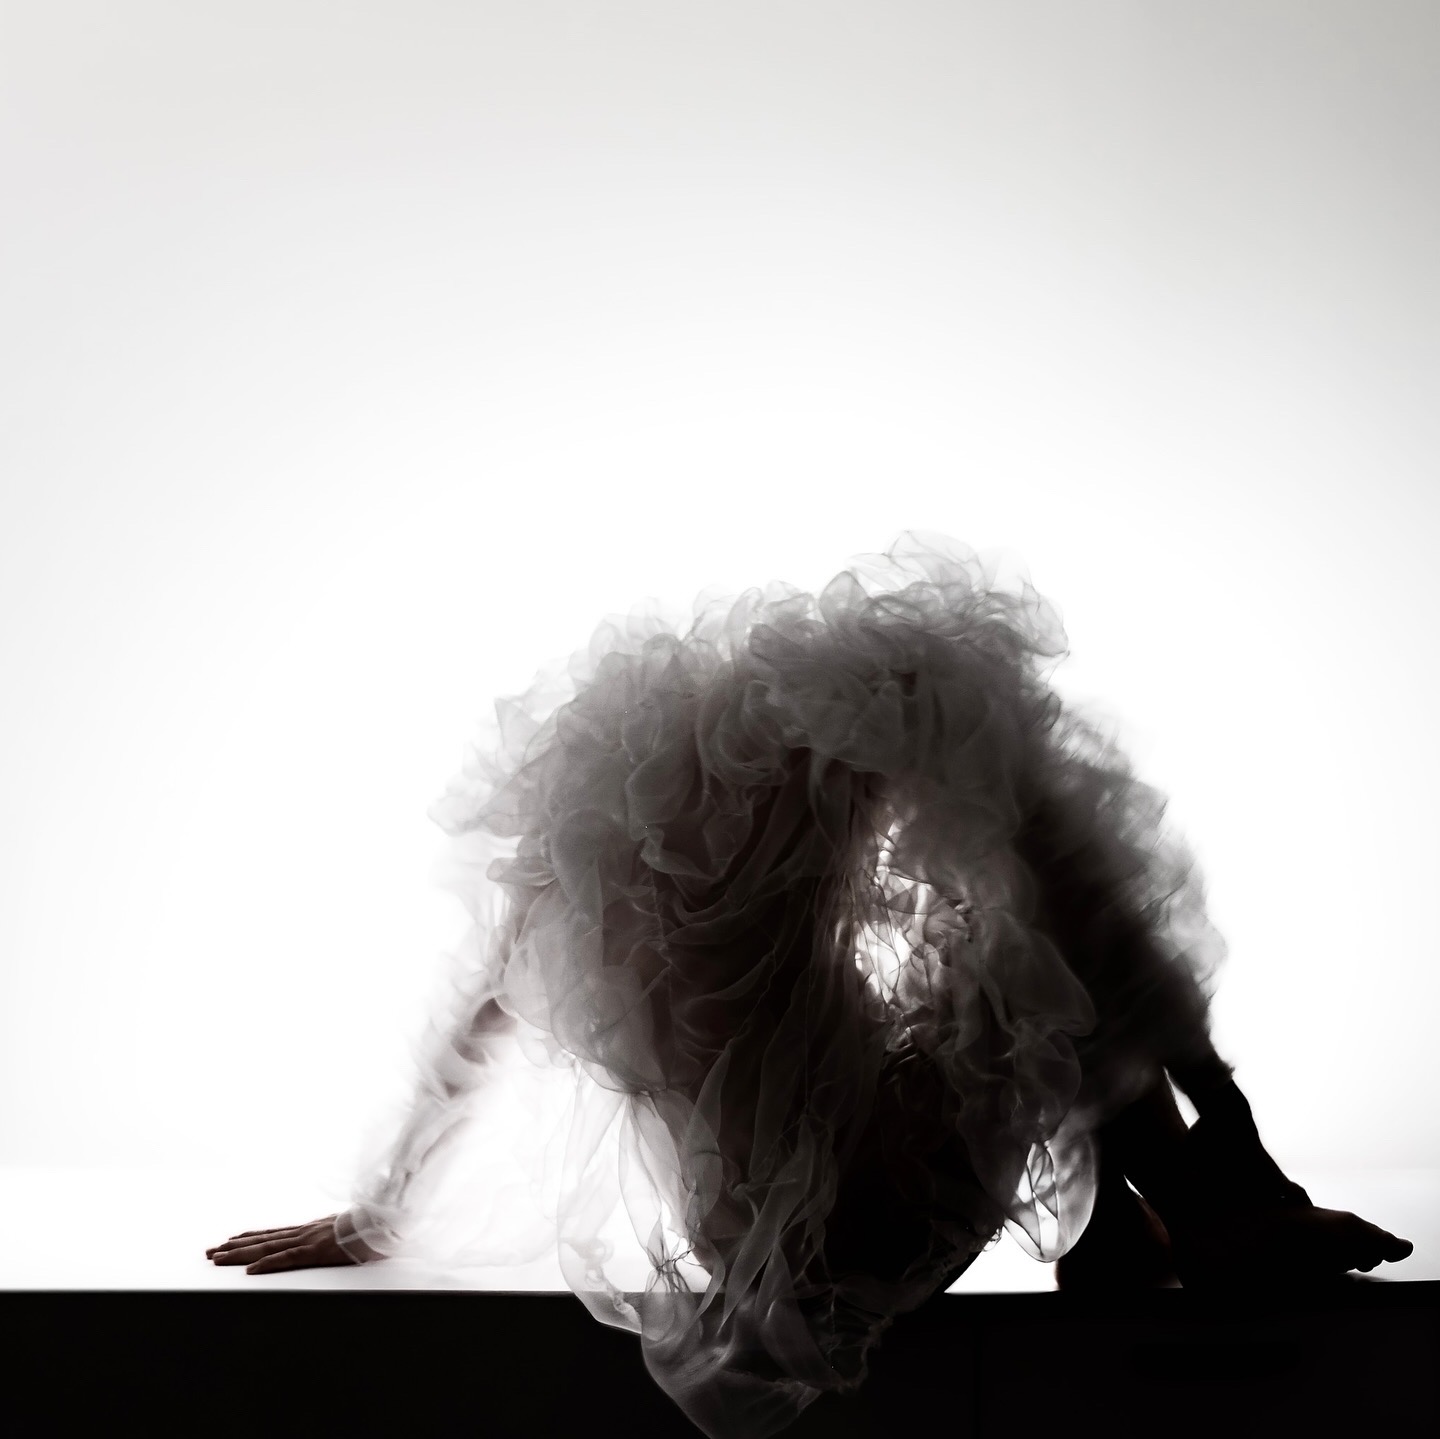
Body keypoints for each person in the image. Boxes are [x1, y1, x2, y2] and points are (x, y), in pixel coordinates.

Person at [207, 531, 1412, 1438]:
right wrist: (1236, 1137)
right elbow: (1104, 927)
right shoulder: (900, 726)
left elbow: (482, 1015)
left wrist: (384, 1204)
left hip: (757, 1246)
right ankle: (1184, 1211)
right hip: (882, 1233)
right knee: (1024, 952)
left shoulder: (611, 828)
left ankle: (1141, 1220)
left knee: (1001, 956)